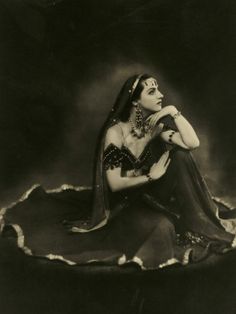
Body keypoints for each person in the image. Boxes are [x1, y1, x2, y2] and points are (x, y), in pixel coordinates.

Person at [1, 73, 236, 270]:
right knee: (162, 228)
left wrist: (173, 112)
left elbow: (192, 143)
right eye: (152, 91)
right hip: (125, 204)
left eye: (159, 90)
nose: (161, 95)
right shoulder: (116, 133)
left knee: (182, 156)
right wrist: (150, 176)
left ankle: (196, 217)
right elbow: (113, 184)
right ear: (135, 101)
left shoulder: (154, 126)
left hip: (152, 197)